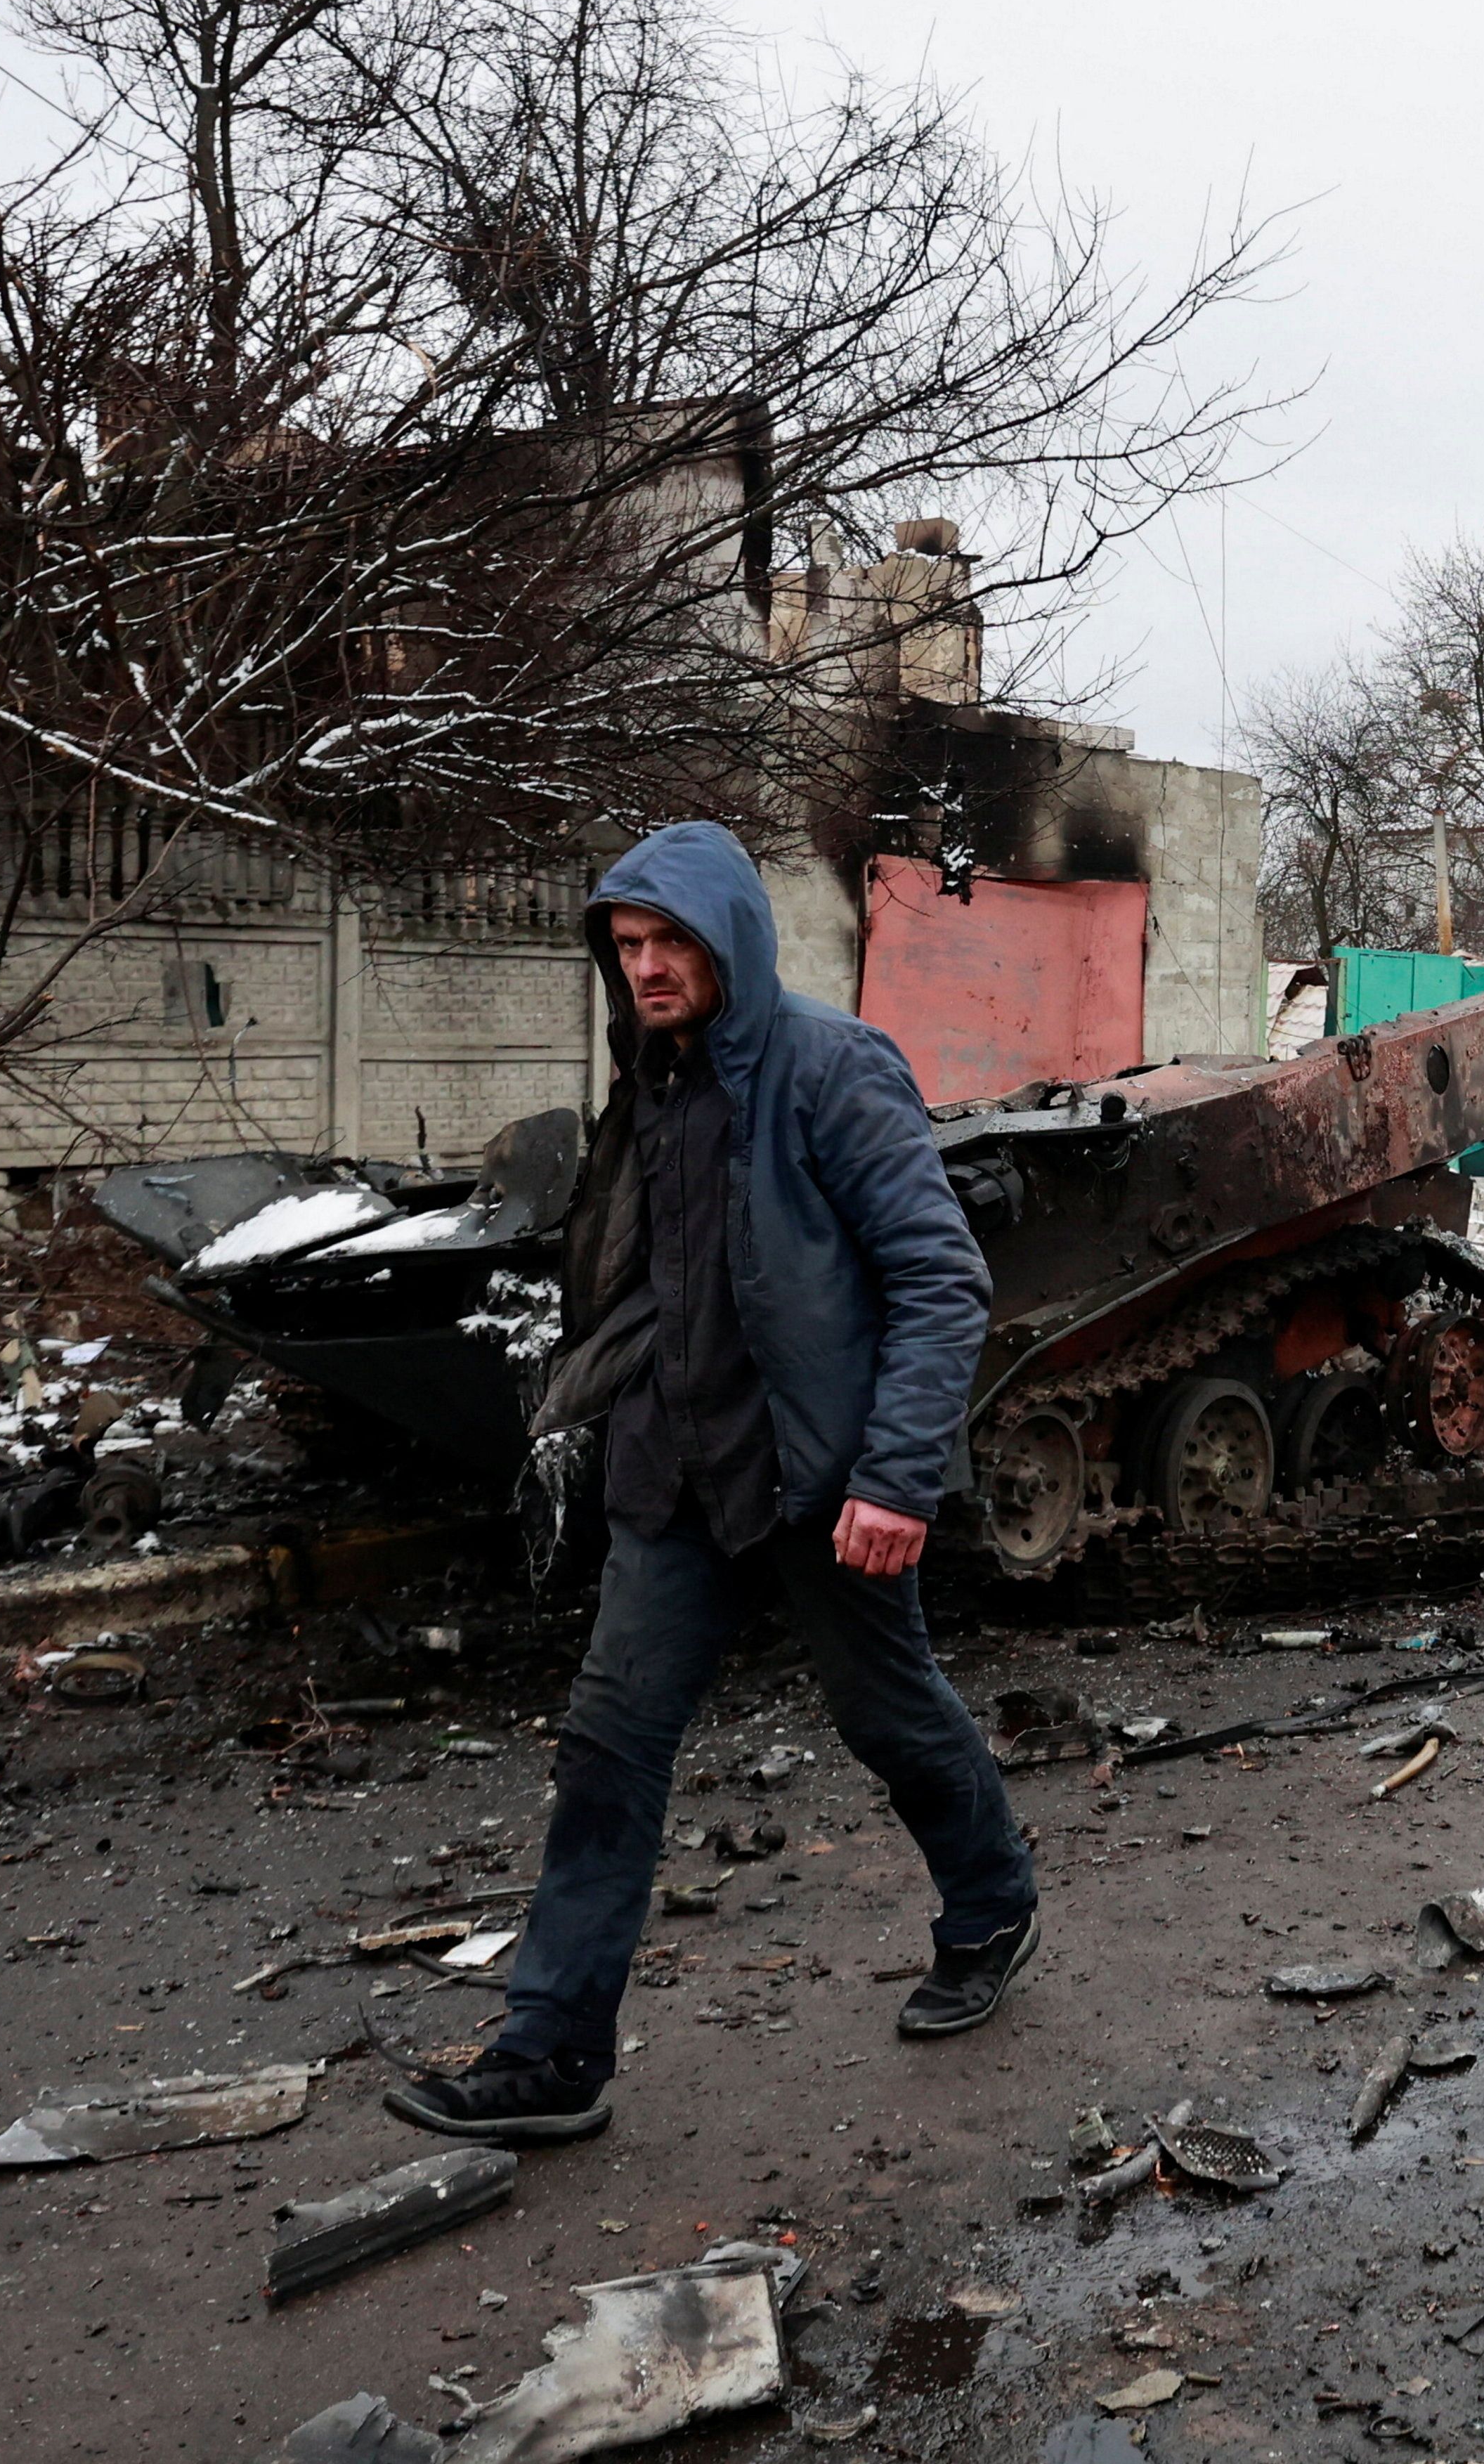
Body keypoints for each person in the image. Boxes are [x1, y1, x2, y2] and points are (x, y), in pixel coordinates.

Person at [386, 822, 1036, 2146]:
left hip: (818, 1480)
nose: (646, 968)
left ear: (728, 938)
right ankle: (552, 2052)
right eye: (627, 947)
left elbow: (940, 1279)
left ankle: (993, 1905)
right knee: (607, 1754)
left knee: (890, 1717)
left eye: (669, 940)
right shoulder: (654, 1082)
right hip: (673, 1482)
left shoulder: (829, 1069)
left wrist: (898, 1480)